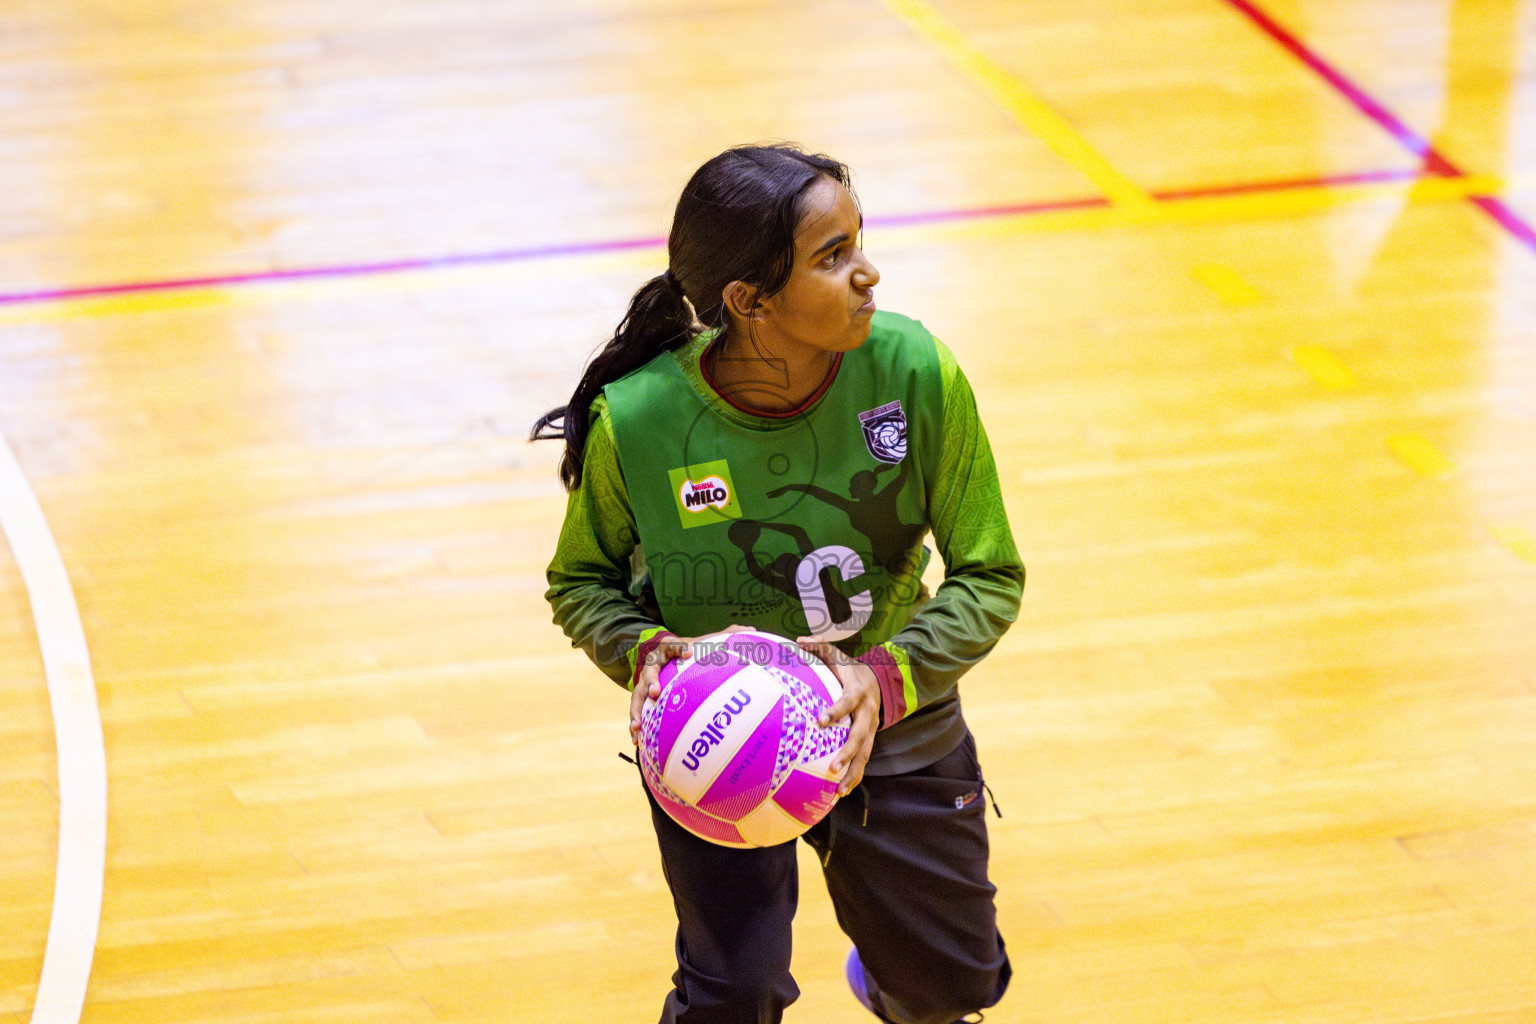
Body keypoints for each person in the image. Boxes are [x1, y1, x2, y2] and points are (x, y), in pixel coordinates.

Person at [534, 143, 1024, 1024]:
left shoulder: (914, 372)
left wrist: (883, 679)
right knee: (734, 995)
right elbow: (580, 584)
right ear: (748, 302)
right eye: (832, 258)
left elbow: (990, 575)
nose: (869, 273)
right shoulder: (641, 422)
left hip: (890, 713)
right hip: (717, 739)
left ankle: (894, 970)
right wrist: (648, 654)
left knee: (950, 987)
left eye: (859, 242)